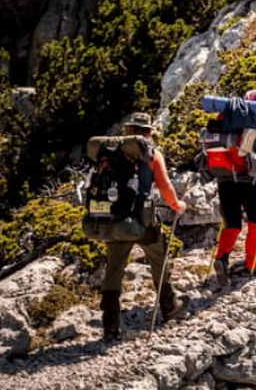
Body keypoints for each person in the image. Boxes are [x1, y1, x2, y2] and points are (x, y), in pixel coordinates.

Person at [100, 112, 189, 342]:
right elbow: (166, 187)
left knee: (113, 270)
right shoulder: (152, 155)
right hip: (142, 221)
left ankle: (110, 326)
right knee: (159, 258)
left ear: (129, 131)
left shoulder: (110, 153)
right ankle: (169, 306)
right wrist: (177, 205)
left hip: (114, 219)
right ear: (148, 132)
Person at [212, 90, 256, 285]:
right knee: (254, 222)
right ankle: (252, 264)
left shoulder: (224, 123)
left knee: (232, 224)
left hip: (224, 180)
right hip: (249, 182)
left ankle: (221, 259)